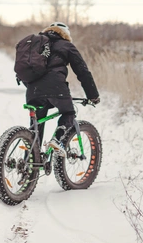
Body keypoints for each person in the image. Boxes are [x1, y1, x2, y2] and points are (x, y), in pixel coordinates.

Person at [23, 22, 100, 156]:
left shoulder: (35, 44)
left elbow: (24, 69)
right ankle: (57, 140)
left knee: (35, 129)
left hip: (32, 91)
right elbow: (82, 72)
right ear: (65, 34)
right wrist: (93, 95)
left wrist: (34, 89)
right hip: (56, 88)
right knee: (68, 112)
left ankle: (29, 168)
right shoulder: (67, 46)